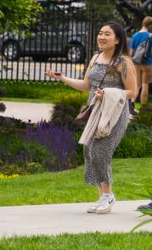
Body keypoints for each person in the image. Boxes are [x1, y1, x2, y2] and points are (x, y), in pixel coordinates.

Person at [47, 20, 136, 214]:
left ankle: (109, 195)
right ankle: (102, 196)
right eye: (100, 33)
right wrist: (61, 78)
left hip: (114, 113)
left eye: (107, 34)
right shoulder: (96, 58)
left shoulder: (123, 62)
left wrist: (109, 93)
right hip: (95, 111)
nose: (102, 37)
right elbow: (86, 85)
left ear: (118, 39)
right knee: (90, 150)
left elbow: (132, 92)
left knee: (100, 151)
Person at [127, 16, 152, 112]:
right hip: (147, 63)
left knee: (137, 85)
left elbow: (131, 53)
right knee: (145, 85)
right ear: (150, 25)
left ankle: (131, 103)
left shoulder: (135, 36)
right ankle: (143, 107)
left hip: (136, 63)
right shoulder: (151, 36)